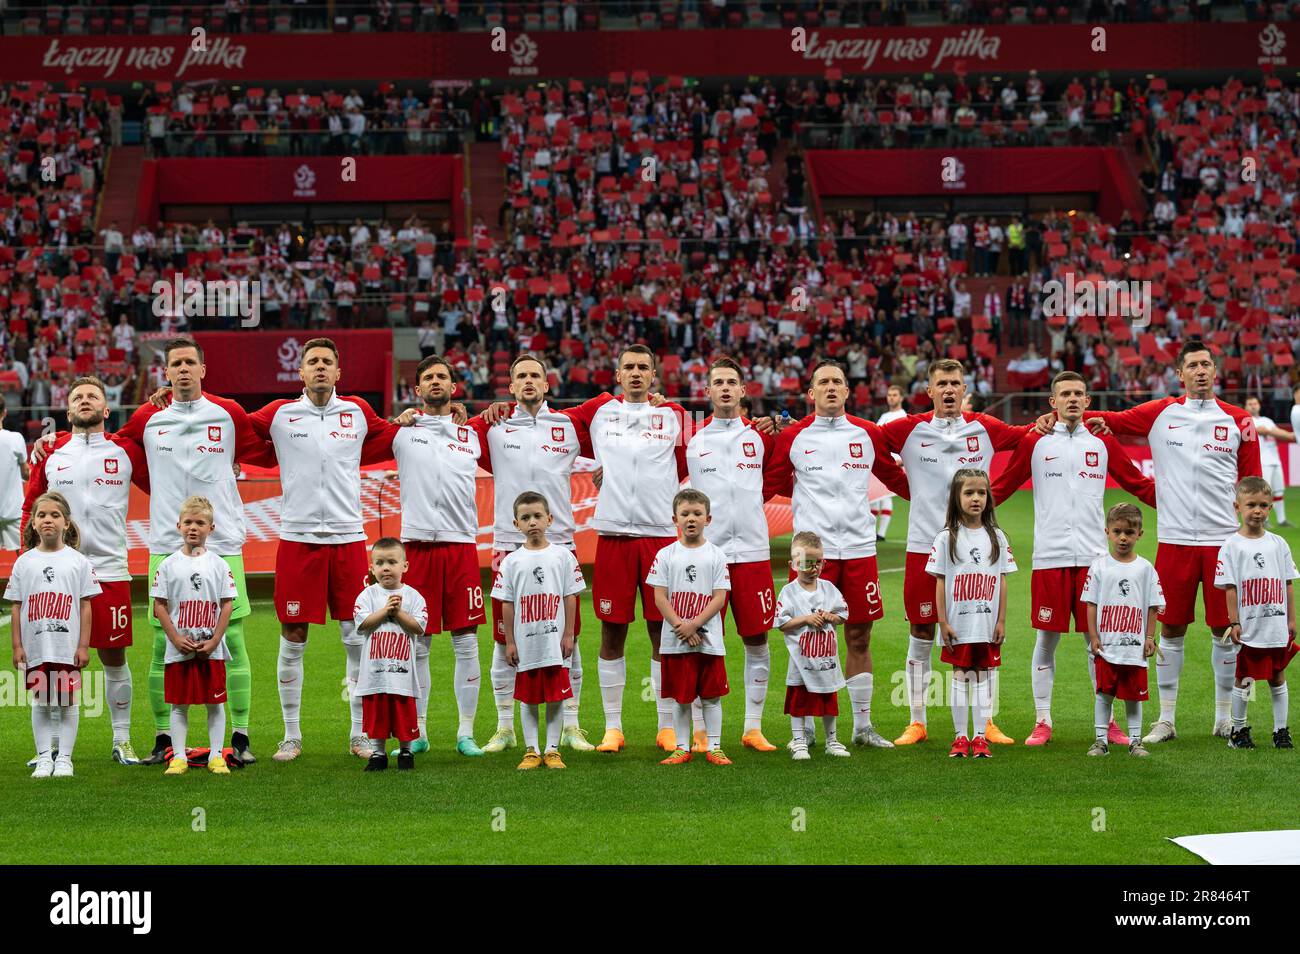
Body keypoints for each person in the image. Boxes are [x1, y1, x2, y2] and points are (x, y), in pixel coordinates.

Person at [1044, 339, 1262, 744]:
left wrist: (1249, 539)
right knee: (1171, 630)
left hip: (1223, 543)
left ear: (1215, 371)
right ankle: (1166, 719)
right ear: (1180, 374)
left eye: (1206, 364)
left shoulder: (1238, 422)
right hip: (1175, 541)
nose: (1200, 371)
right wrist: (1057, 415)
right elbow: (1112, 418)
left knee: (1226, 632)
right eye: (1192, 366)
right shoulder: (1162, 411)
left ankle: (1224, 717)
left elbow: (1252, 486)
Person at [101, 337, 272, 765]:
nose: (181, 370)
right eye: (174, 363)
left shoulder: (228, 412)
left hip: (225, 540)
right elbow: (114, 445)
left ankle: (240, 736)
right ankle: (163, 738)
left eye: (188, 363)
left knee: (230, 637)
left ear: (202, 368)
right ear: (166, 372)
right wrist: (152, 486)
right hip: (164, 541)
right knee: (164, 643)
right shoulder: (149, 416)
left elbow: (266, 447)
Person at [246, 338, 405, 763]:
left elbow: (394, 435)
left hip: (349, 539)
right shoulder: (280, 413)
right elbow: (232, 426)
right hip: (297, 540)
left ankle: (359, 733)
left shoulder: (357, 413)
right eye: (312, 362)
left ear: (338, 373)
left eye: (327, 362)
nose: (319, 367)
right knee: (293, 635)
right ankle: (291, 735)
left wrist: (411, 419)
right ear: (300, 373)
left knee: (358, 636)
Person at [991, 370, 1157, 747]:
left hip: (1095, 561)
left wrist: (1182, 504)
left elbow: (1136, 482)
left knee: (1096, 642)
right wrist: (964, 516)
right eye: (1064, 394)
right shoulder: (1035, 441)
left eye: (1078, 394)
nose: (1071, 399)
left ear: (1087, 401)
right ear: (1053, 402)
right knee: (1046, 640)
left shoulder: (1102, 443)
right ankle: (1043, 720)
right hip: (1050, 556)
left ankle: (1109, 722)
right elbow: (1003, 485)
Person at [881, 359, 1031, 746]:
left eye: (955, 384)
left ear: (965, 390)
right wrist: (905, 486)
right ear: (929, 391)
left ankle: (988, 721)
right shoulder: (909, 429)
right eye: (941, 384)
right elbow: (870, 442)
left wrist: (1001, 488)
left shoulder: (983, 427)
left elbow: (1025, 438)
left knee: (982, 632)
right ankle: (918, 721)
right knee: (920, 630)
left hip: (975, 549)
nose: (949, 390)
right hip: (923, 544)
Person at [764, 361, 909, 749]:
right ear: (811, 394)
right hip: (813, 555)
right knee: (808, 637)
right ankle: (808, 725)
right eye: (823, 383)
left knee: (859, 636)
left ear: (848, 392)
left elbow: (895, 477)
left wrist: (945, 503)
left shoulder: (867, 433)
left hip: (860, 549)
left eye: (838, 383)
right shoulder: (793, 436)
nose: (831, 388)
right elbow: (769, 483)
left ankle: (862, 727)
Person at [557, 345, 691, 753]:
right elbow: (546, 423)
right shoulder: (598, 411)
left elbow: (687, 463)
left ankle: (665, 726)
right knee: (612, 631)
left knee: (661, 630)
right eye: (628, 367)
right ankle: (613, 728)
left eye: (643, 368)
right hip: (614, 534)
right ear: (618, 374)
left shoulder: (676, 416)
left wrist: (653, 485)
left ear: (654, 376)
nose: (636, 373)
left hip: (659, 537)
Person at [23, 376, 148, 765]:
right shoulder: (51, 451)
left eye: (93, 396)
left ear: (106, 409)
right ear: (68, 409)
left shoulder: (127, 450)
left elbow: (166, 481)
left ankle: (122, 739)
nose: (85, 401)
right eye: (78, 397)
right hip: (58, 574)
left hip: (110, 569)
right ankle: (54, 745)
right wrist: (31, 560)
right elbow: (31, 508)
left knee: (114, 658)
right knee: (56, 659)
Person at [474, 354, 593, 754]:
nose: (528, 381)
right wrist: (475, 411)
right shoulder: (493, 426)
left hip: (561, 543)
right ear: (510, 386)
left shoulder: (569, 425)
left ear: (547, 384)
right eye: (520, 376)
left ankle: (572, 726)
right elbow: (452, 424)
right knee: (503, 637)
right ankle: (505, 726)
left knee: (568, 636)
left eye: (535, 376)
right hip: (509, 544)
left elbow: (614, 425)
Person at [379, 354, 487, 758]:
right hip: (418, 547)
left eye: (443, 376)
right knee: (417, 642)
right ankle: (418, 731)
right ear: (418, 389)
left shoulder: (472, 434)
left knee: (466, 641)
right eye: (428, 377)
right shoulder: (402, 433)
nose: (436, 382)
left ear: (454, 388)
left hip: (460, 546)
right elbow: (366, 441)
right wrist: (396, 422)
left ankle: (465, 733)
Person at [683, 357, 779, 752]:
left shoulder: (762, 437)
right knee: (703, 640)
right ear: (707, 392)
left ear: (743, 391)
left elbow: (776, 477)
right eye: (718, 382)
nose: (725, 388)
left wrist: (752, 507)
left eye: (732, 382)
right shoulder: (692, 439)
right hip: (709, 556)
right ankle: (702, 729)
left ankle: (753, 727)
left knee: (757, 639)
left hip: (754, 552)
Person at [490, 491, 586, 770]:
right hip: (526, 643)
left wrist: (568, 634)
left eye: (537, 516)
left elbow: (571, 596)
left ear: (549, 519)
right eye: (525, 517)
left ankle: (552, 750)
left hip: (554, 642)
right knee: (529, 697)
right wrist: (509, 641)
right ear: (516, 523)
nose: (532, 522)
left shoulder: (563, 556)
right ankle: (531, 750)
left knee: (556, 696)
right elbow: (507, 603)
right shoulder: (511, 561)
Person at [7, 492, 100, 778]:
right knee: (41, 699)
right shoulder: (24, 562)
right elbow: (16, 606)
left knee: (67, 700)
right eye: (42, 515)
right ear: (33, 523)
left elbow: (86, 606)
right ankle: (45, 757)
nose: (48, 520)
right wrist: (17, 646)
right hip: (36, 646)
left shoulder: (78, 562)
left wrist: (83, 645)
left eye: (55, 515)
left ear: (67, 523)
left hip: (66, 646)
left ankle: (65, 759)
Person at [925, 469, 1017, 759]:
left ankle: (980, 737)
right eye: (969, 492)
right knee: (960, 677)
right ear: (956, 497)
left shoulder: (997, 537)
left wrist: (1001, 620)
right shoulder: (946, 538)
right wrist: (943, 622)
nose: (976, 498)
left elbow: (1002, 580)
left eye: (981, 492)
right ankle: (960, 737)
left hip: (987, 624)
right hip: (958, 624)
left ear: (988, 498)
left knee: (982, 679)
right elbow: (940, 581)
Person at [151, 497, 237, 777]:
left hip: (211, 649)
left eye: (200, 523)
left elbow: (227, 604)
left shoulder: (220, 565)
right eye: (188, 522)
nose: (193, 528)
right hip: (179, 649)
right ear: (178, 526)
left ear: (211, 528)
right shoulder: (167, 565)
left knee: (215, 703)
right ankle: (178, 757)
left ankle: (215, 755)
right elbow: (159, 605)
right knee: (179, 704)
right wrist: (175, 638)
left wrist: (214, 641)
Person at [648, 489, 732, 766]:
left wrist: (694, 624)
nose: (691, 519)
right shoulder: (665, 555)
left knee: (711, 696)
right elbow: (659, 596)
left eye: (697, 514)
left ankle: (715, 746)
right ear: (675, 519)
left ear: (708, 518)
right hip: (676, 641)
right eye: (685, 514)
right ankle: (682, 748)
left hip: (708, 641)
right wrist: (679, 625)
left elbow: (720, 597)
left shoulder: (717, 555)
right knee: (681, 698)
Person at [1214, 476, 1298, 750]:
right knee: (1246, 677)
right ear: (1237, 506)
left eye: (1263, 505)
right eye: (1251, 505)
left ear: (1271, 507)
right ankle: (1238, 731)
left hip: (1275, 625)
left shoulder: (1278, 543)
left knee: (1277, 675)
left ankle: (1281, 730)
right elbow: (1230, 588)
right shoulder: (1231, 546)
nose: (1258, 511)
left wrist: (1291, 618)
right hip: (1250, 626)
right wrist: (1234, 621)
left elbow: (1287, 582)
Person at [1080, 503, 1163, 758]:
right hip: (1107, 647)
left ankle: (1135, 741)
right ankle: (1100, 740)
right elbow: (1091, 604)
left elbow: (1153, 606)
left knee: (1133, 697)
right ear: (1107, 532)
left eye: (1129, 531)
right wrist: (1093, 636)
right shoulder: (1099, 567)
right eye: (1117, 531)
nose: (1123, 537)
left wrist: (1149, 637)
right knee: (1104, 694)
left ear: (1140, 533)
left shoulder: (1146, 568)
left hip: (1134, 648)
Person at [352, 538, 429, 772]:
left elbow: (419, 627)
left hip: (403, 672)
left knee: (404, 714)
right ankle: (378, 753)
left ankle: (406, 752)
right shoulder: (367, 595)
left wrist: (399, 613)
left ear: (405, 566)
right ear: (371, 568)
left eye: (392, 562)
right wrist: (386, 610)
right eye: (380, 562)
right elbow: (363, 623)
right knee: (377, 716)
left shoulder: (414, 596)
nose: (386, 567)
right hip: (374, 673)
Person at [776, 530, 851, 761]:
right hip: (802, 661)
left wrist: (831, 616)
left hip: (826, 659)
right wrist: (806, 619)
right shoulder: (789, 591)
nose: (813, 568)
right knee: (799, 701)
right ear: (794, 564)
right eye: (806, 563)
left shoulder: (829, 588)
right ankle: (799, 741)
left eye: (818, 562)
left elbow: (843, 614)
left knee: (829, 700)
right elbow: (782, 622)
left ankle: (832, 740)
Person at [1245, 396, 1293, 527]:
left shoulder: (1268, 420)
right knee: (1265, 492)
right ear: (1246, 407)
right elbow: (1267, 431)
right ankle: (1264, 520)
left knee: (1278, 491)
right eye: (1250, 404)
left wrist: (1293, 436)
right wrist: (1293, 436)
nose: (1253, 406)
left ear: (1259, 405)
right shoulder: (1247, 421)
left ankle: (1282, 520)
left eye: (1255, 403)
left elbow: (1278, 431)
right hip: (1263, 461)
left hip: (1275, 460)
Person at [872, 385, 907, 542]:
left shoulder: (903, 416)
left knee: (885, 496)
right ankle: (875, 533)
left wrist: (902, 459)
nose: (891, 397)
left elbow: (905, 440)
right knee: (875, 497)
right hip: (880, 460)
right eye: (889, 394)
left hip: (894, 462)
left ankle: (881, 533)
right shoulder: (884, 416)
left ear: (901, 398)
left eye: (894, 394)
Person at [0, 395, 29, 551]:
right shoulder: (15, 439)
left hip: (13, 511)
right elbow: (26, 474)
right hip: (13, 510)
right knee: (24, 553)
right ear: (4, 413)